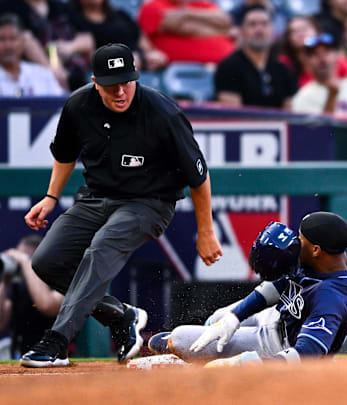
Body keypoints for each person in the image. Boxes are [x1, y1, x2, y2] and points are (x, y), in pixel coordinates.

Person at [19, 43, 222, 368]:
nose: (120, 91)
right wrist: (51, 196)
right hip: (97, 197)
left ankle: (57, 342)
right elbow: (65, 153)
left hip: (150, 202)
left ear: (136, 78)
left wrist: (206, 231)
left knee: (102, 247)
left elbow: (198, 177)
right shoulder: (79, 105)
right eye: (111, 84)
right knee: (46, 261)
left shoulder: (162, 112)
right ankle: (120, 314)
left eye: (127, 82)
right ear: (95, 81)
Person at [142, 213, 347, 366]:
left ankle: (193, 364)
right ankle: (205, 353)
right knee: (217, 320)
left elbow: (308, 352)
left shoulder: (331, 296)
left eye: (302, 239)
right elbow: (277, 286)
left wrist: (248, 363)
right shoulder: (341, 253)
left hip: (283, 345)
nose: (296, 241)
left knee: (178, 338)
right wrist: (233, 318)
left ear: (316, 250)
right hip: (278, 317)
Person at [291, 33, 347, 140]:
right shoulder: (302, 97)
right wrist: (332, 96)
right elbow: (315, 138)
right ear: (308, 61)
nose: (322, 58)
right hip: (332, 153)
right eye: (315, 54)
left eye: (326, 52)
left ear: (336, 56)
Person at [214, 5, 297, 109]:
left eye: (264, 24)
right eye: (252, 24)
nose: (259, 29)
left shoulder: (283, 70)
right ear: (241, 31)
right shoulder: (227, 67)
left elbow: (289, 115)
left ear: (273, 30)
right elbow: (233, 116)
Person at [0, 236, 64, 358]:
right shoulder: (18, 287)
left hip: (57, 360)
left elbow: (47, 305)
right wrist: (4, 280)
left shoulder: (60, 283)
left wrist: (25, 261)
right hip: (22, 360)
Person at [70, 0, 167, 71]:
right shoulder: (74, 18)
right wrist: (125, 61)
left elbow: (142, 41)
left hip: (140, 63)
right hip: (110, 72)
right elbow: (91, 59)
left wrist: (152, 55)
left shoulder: (120, 14)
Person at [137, 0, 234, 64]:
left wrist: (186, 13)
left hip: (223, 64)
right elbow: (182, 28)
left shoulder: (203, 4)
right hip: (178, 71)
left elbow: (226, 21)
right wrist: (218, 29)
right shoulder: (152, 6)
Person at [0, 13, 64, 97]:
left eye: (13, 39)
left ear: (23, 42)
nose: (8, 46)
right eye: (2, 39)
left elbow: (60, 106)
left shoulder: (42, 75)